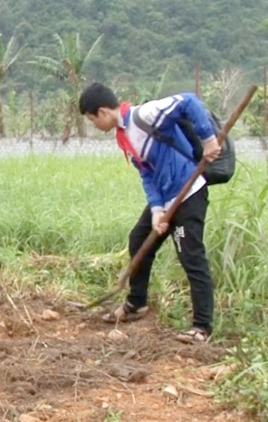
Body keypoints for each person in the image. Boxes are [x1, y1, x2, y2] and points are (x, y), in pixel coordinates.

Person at [78, 82, 221, 344]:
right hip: (166, 198)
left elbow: (189, 101)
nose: (93, 125)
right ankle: (137, 304)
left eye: (91, 119)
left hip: (188, 194)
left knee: (191, 256)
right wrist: (156, 211)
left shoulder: (146, 114)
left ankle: (202, 327)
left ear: (103, 112)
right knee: (139, 238)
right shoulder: (123, 136)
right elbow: (147, 173)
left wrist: (209, 140)